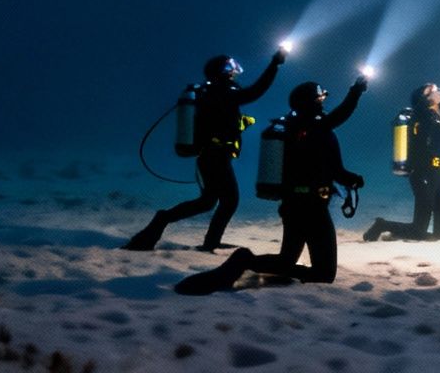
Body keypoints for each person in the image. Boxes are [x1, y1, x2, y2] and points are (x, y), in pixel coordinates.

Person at [176, 79, 367, 295]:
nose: (323, 101)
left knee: (286, 262)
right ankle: (244, 260)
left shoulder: (313, 128)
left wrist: (350, 179)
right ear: (308, 103)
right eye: (319, 98)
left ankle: (244, 261)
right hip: (307, 207)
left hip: (301, 206)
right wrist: (355, 92)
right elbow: (340, 115)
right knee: (323, 274)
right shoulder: (309, 126)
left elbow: (330, 167)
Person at [124, 47, 284, 251]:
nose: (234, 71)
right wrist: (275, 64)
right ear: (222, 72)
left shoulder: (214, 93)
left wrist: (241, 123)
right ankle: (205, 240)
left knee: (207, 202)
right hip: (214, 157)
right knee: (228, 201)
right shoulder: (222, 92)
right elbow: (254, 92)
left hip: (213, 156)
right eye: (230, 67)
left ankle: (167, 223)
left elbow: (219, 122)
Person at [363, 68, 440, 241]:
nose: (437, 91)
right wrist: (426, 94)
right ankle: (382, 225)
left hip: (439, 175)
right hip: (423, 174)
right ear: (425, 99)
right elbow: (420, 105)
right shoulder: (420, 116)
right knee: (418, 229)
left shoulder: (438, 115)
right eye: (432, 91)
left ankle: (400, 231)